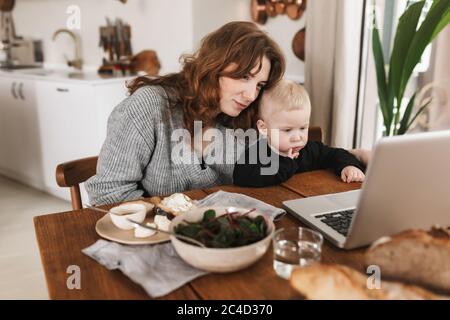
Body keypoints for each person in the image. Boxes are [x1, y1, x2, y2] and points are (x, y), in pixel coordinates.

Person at [85, 21, 286, 205]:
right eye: (244, 77)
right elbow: (107, 193)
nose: (251, 95)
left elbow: (260, 177)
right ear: (214, 65)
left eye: (259, 85)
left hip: (218, 233)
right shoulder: (149, 106)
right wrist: (175, 217)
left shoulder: (245, 117)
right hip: (152, 234)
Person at [233, 79, 366, 187]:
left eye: (303, 128)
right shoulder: (257, 154)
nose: (297, 137)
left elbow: (336, 154)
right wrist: (287, 163)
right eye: (287, 130)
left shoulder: (310, 150)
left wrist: (348, 166)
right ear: (263, 128)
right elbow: (242, 177)